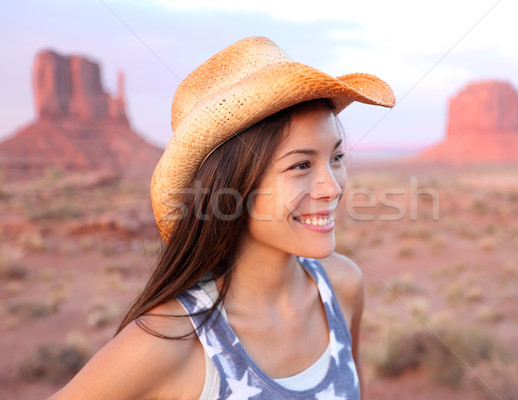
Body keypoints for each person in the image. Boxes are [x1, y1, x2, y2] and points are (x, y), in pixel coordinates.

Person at [49, 36, 395, 400]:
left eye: (336, 158)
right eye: (301, 165)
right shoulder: (170, 342)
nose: (333, 187)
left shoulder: (343, 287)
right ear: (232, 185)